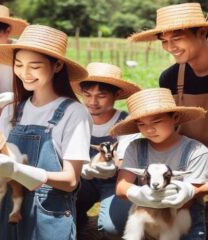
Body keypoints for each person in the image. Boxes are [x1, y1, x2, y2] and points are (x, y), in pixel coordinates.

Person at [0, 24, 92, 240]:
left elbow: (70, 181)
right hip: (9, 208)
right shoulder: (11, 111)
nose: (25, 73)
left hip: (49, 211)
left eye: (35, 66)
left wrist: (18, 170)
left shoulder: (74, 113)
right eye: (19, 65)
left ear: (57, 65)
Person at [111, 88, 208, 240]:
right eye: (141, 124)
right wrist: (141, 194)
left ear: (175, 117)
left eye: (156, 121)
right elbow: (121, 187)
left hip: (183, 224)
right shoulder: (135, 148)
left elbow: (193, 194)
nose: (149, 129)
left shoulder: (196, 150)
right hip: (146, 223)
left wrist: (187, 191)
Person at [70, 62, 141, 236]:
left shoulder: (126, 123)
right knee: (61, 218)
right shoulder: (74, 118)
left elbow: (125, 160)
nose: (92, 102)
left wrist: (113, 164)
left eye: (101, 96)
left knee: (114, 227)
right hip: (82, 180)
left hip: (116, 181)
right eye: (87, 95)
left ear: (116, 94)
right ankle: (77, 217)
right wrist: (83, 170)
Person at [129, 2, 208, 147]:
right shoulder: (170, 77)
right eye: (164, 41)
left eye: (177, 39)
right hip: (188, 160)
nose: (170, 47)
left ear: (202, 32)